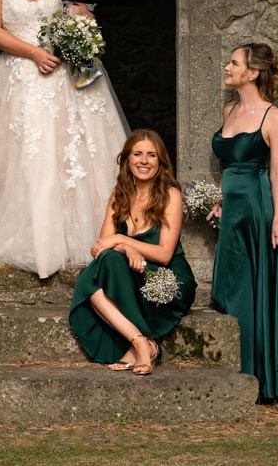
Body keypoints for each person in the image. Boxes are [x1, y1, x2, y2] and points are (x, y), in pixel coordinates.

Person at [0, 0, 129, 278]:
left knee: (74, 151)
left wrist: (85, 22)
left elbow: (76, 8)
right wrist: (33, 52)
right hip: (21, 73)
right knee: (31, 156)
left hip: (64, 74)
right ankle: (36, 241)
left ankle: (90, 237)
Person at [68, 130, 197, 374]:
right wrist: (127, 248)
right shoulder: (119, 196)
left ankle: (138, 346)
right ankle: (141, 343)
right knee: (96, 270)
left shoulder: (171, 194)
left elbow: (164, 254)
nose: (144, 161)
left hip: (165, 279)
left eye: (151, 155)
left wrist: (120, 239)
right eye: (137, 154)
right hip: (132, 273)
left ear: (160, 162)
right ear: (127, 159)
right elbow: (100, 248)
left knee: (96, 270)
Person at [208, 43, 278, 402]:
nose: (227, 67)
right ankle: (231, 370)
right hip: (232, 212)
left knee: (255, 287)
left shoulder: (273, 116)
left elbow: (277, 172)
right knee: (230, 287)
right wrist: (219, 201)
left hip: (258, 210)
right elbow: (229, 169)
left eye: (234, 63)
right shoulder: (229, 109)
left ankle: (260, 378)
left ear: (253, 73)